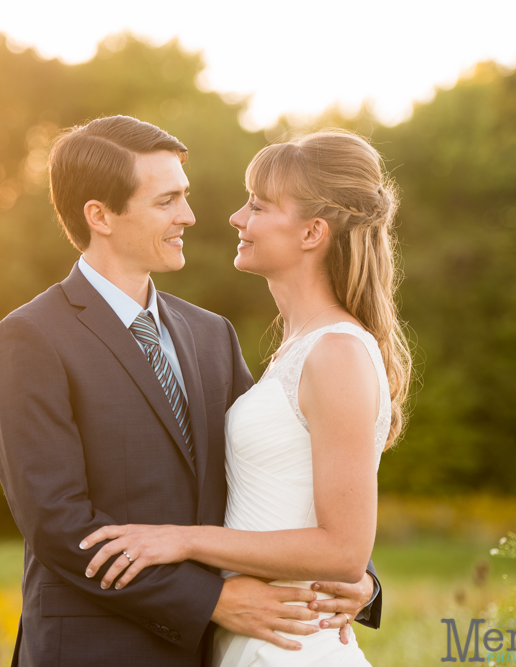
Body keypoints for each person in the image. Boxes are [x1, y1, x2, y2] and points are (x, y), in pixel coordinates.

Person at [0, 116, 382, 667]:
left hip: (211, 651)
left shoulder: (209, 333)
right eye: (167, 201)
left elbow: (267, 471)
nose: (189, 216)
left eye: (185, 197)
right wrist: (213, 599)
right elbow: (57, 523)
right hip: (94, 650)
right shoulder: (31, 337)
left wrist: (357, 575)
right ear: (99, 215)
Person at [79, 129, 411, 666]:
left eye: (257, 205)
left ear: (312, 233)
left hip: (289, 648)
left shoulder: (337, 353)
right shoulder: (294, 350)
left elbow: (345, 550)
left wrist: (184, 541)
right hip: (250, 638)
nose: (236, 217)